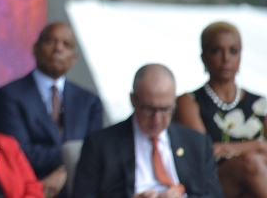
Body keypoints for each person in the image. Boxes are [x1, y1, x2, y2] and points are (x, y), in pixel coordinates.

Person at [73, 64, 223, 198]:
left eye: (165, 109)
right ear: (133, 100)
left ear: (174, 102)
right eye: (149, 109)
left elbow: (215, 194)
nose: (156, 119)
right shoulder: (101, 145)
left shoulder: (197, 143)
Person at [0, 22, 103, 198]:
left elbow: (96, 153)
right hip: (29, 189)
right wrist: (69, 161)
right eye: (51, 41)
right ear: (35, 48)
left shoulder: (90, 101)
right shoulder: (8, 95)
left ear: (74, 58)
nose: (58, 48)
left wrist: (65, 172)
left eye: (66, 45)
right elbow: (16, 152)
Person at [175, 21, 267, 198]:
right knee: (250, 163)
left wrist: (228, 148)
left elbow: (218, 148)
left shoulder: (261, 103)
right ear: (204, 57)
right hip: (214, 183)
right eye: (216, 50)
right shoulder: (190, 101)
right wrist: (257, 146)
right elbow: (204, 153)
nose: (226, 58)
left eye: (233, 51)